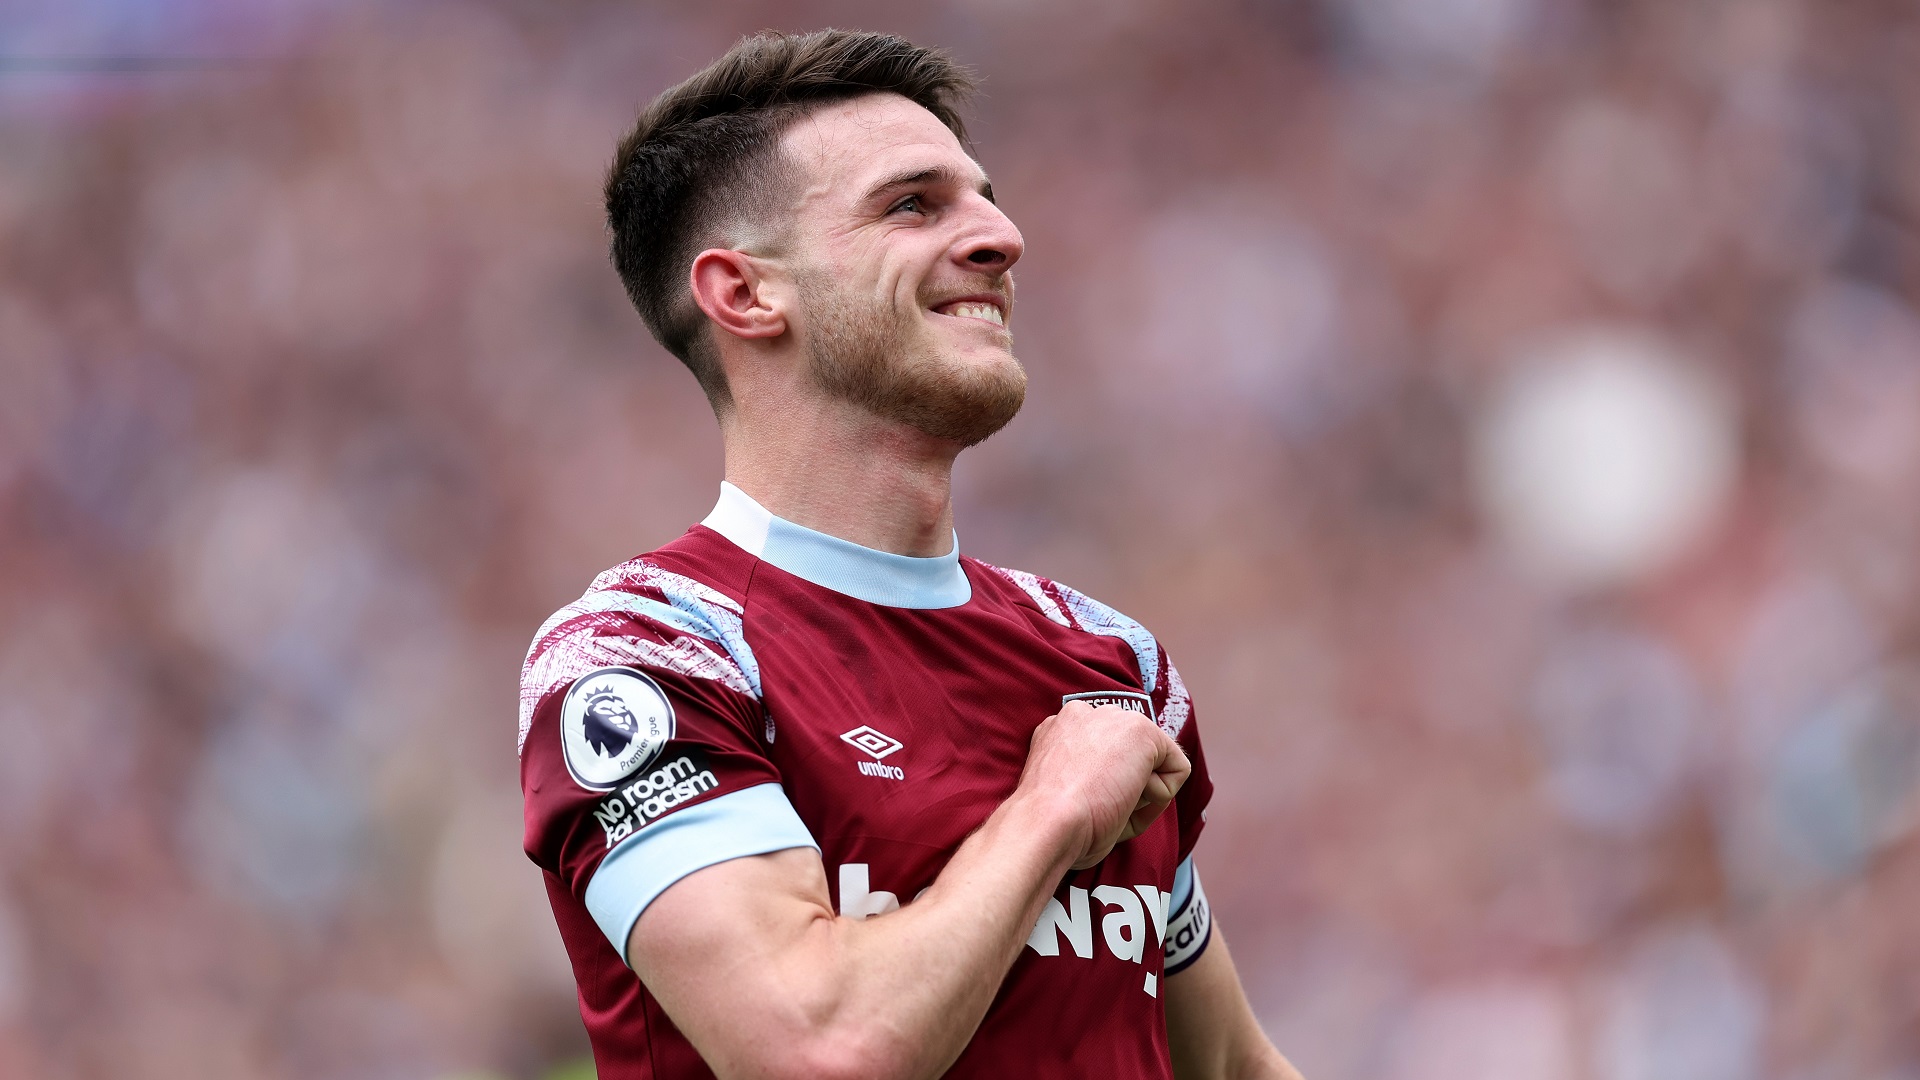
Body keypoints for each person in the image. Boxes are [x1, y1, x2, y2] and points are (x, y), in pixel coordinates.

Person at [519, 28, 1304, 1080]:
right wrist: (1050, 812)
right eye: (912, 206)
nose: (1002, 237)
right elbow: (821, 1053)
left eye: (986, 198)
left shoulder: (1111, 663)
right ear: (745, 294)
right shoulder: (649, 653)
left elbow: (1232, 1065)